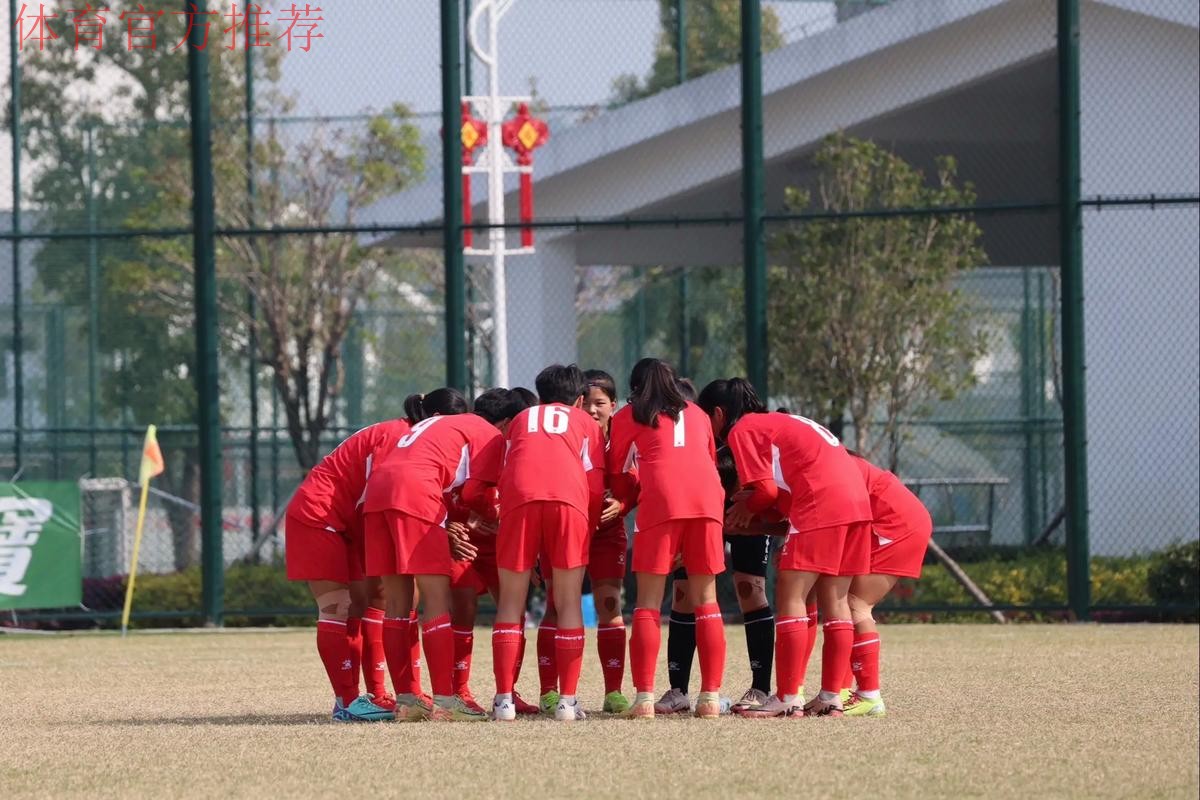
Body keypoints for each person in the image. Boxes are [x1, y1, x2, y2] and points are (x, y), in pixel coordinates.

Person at [699, 378, 872, 718]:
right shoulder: (781, 421)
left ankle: (787, 697)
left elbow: (764, 491)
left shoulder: (743, 429)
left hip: (820, 502)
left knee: (792, 596)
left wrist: (745, 508)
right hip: (856, 502)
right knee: (836, 602)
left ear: (718, 414)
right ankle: (831, 697)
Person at [361, 388, 510, 722]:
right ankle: (446, 701)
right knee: (437, 599)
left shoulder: (432, 425)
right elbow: (474, 492)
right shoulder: (489, 434)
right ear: (504, 424)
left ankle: (407, 701)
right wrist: (496, 514)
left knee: (397, 604)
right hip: (416, 491)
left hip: (378, 493)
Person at [609, 358, 727, 719]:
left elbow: (618, 472)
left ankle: (644, 698)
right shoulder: (698, 413)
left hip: (661, 502)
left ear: (635, 388)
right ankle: (710, 698)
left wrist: (625, 498)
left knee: (647, 604)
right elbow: (706, 460)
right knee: (707, 602)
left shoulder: (630, 414)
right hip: (708, 502)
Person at [491, 365, 606, 722]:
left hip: (519, 500)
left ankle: (503, 701)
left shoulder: (521, 419)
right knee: (568, 601)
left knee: (511, 602)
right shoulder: (586, 422)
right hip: (568, 502)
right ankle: (567, 702)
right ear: (580, 400)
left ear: (540, 395)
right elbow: (595, 484)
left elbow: (505, 468)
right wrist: (587, 526)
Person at [285, 415, 412, 722]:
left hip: (347, 521)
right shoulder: (399, 434)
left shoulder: (405, 434)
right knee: (335, 607)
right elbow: (383, 489)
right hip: (320, 515)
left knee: (364, 601)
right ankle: (346, 702)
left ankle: (374, 695)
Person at [446, 388, 540, 716]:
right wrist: (454, 519)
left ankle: (508, 691)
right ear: (505, 423)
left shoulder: (522, 447)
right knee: (464, 607)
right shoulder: (464, 442)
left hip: (499, 541)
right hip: (461, 540)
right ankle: (458, 691)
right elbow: (444, 489)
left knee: (513, 610)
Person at [840, 451, 933, 717]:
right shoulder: (831, 455)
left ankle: (869, 696)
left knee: (856, 604)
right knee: (843, 602)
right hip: (894, 519)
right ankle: (841, 691)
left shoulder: (827, 462)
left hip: (895, 522)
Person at [581, 368, 632, 714]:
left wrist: (623, 504)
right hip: (569, 528)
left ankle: (613, 692)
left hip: (608, 532)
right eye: (586, 402)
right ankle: (550, 692)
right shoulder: (568, 435)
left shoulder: (625, 438)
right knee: (557, 603)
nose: (592, 409)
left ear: (614, 405)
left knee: (610, 605)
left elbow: (639, 483)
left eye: (599, 403)